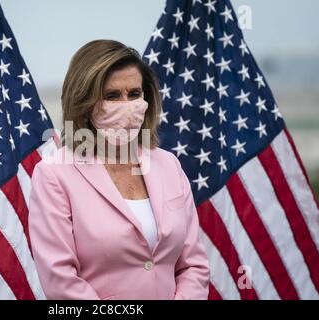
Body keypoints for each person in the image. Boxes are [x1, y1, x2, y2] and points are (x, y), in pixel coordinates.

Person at [28, 39, 210, 300]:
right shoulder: (55, 174)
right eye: (112, 96)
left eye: (134, 94)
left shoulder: (168, 165)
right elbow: (61, 280)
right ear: (85, 104)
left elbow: (193, 264)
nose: (126, 105)